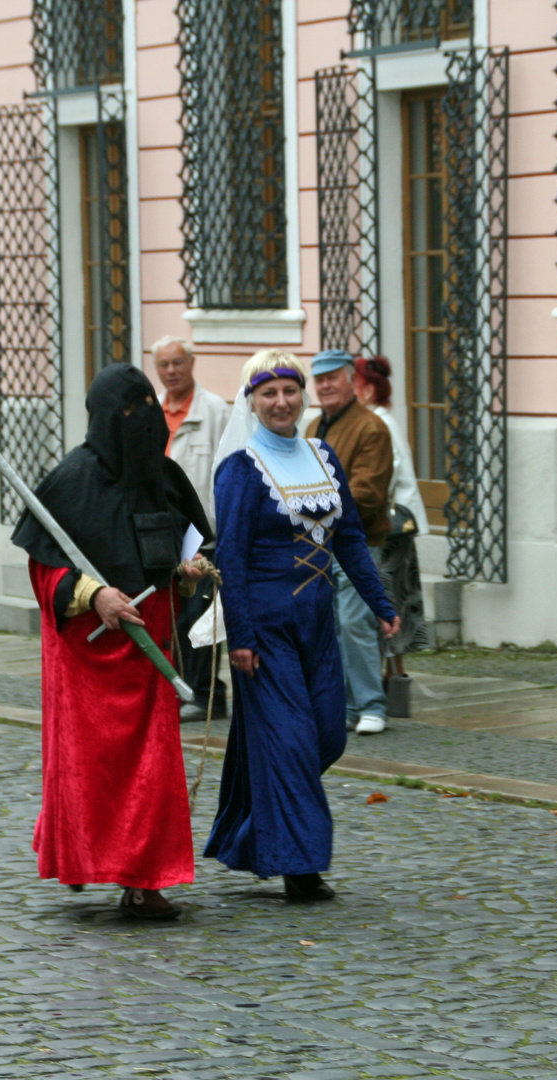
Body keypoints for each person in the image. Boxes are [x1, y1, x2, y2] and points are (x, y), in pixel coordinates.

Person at [12, 363, 213, 920]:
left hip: (151, 649)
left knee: (154, 771)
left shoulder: (167, 478)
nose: (141, 421)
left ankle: (145, 880)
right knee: (89, 769)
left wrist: (189, 569)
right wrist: (92, 595)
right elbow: (45, 569)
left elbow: (189, 545)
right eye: (127, 413)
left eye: (147, 407)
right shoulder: (72, 480)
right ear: (103, 419)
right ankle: (84, 857)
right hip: (90, 657)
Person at [205, 350, 399, 902]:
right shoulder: (241, 468)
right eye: (268, 394)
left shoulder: (324, 456)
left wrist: (380, 603)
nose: (281, 402)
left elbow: (351, 540)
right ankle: (301, 866)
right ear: (252, 401)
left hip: (318, 622)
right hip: (265, 627)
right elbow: (233, 559)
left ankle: (250, 834)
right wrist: (239, 637)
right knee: (289, 743)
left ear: (303, 395)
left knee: (327, 735)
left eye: (290, 390)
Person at [304, 349, 394, 735]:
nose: (325, 386)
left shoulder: (370, 427)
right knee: (329, 625)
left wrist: (313, 508)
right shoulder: (311, 427)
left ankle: (372, 704)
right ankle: (346, 707)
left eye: (332, 378)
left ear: (350, 381)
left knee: (356, 623)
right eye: (319, 380)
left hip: (358, 542)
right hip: (318, 543)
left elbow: (368, 492)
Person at [152, 335, 231, 720]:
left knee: (200, 614)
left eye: (177, 363)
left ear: (192, 363)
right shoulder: (153, 412)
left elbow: (229, 470)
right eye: (163, 365)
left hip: (204, 530)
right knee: (174, 614)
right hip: (166, 531)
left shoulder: (214, 410)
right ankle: (184, 689)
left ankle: (204, 694)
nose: (171, 371)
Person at [353, 357, 428, 660]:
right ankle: (393, 672)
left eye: (353, 384)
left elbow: (389, 470)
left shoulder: (378, 421)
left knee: (388, 598)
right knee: (392, 596)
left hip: (389, 527)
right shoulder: (379, 419)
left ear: (368, 390)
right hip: (393, 525)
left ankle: (392, 674)